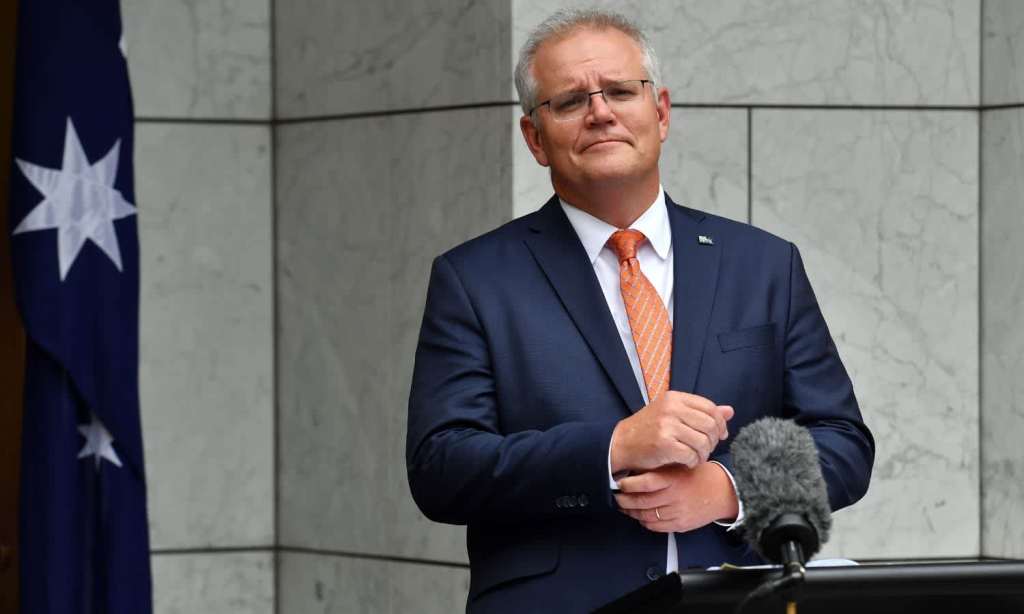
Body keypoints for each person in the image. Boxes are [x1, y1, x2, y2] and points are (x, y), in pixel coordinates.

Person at [406, 9, 874, 613]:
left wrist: (726, 489)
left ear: (661, 112)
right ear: (535, 138)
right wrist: (613, 448)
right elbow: (441, 467)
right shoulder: (475, 278)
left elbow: (843, 442)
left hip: (735, 600)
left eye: (621, 92)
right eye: (570, 101)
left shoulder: (763, 264)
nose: (600, 112)